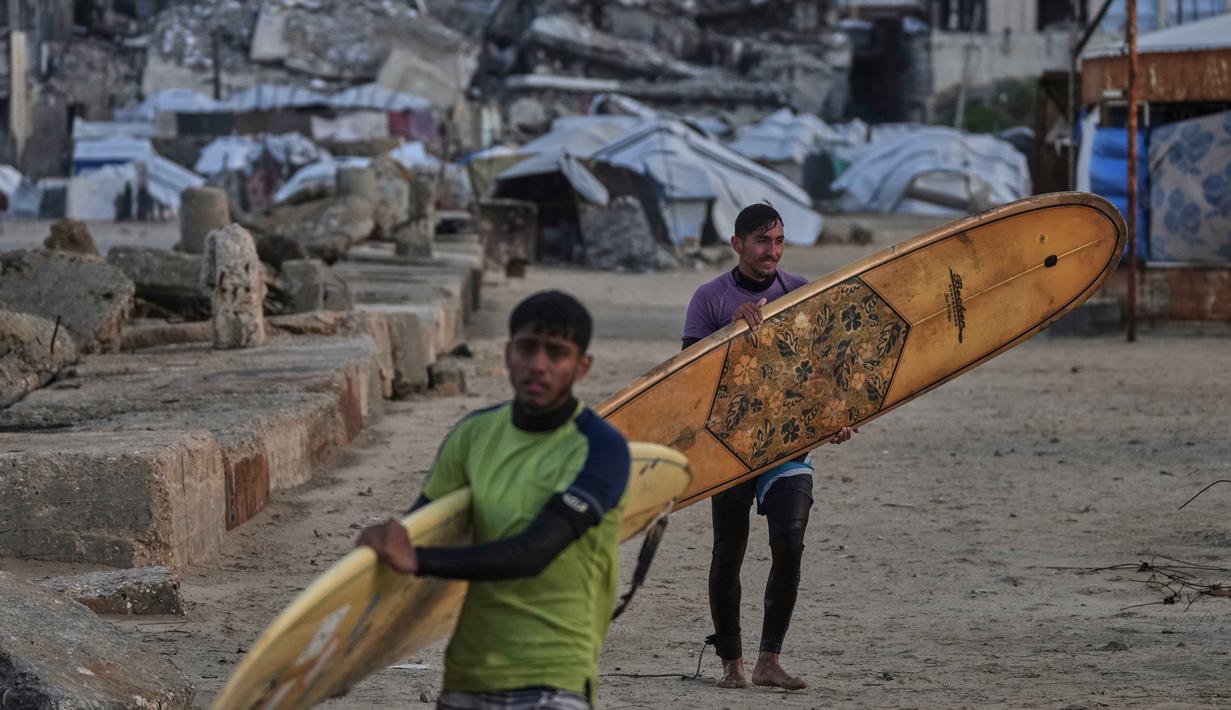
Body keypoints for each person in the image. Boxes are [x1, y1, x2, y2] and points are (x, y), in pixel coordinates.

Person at [357, 290, 630, 710]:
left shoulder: (601, 448)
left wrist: (418, 558)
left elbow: (533, 553)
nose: (537, 364)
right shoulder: (473, 434)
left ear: (582, 366)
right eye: (526, 347)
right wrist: (344, 661)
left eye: (556, 353)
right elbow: (421, 538)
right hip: (467, 675)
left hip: (554, 677)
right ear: (507, 353)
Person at [681, 202, 856, 691]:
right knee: (729, 551)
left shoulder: (800, 293)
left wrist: (836, 418)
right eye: (761, 242)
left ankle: (769, 660)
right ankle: (732, 665)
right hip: (731, 449)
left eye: (778, 241)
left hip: (787, 445)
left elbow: (826, 371)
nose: (771, 252)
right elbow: (689, 382)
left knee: (790, 542)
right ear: (737, 244)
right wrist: (728, 335)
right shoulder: (709, 298)